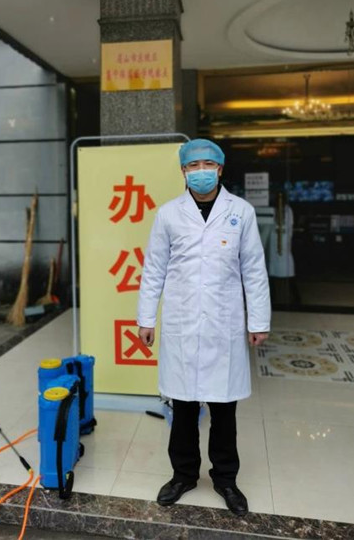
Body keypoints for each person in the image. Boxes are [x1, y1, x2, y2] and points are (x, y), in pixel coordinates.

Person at [137, 138, 271, 516]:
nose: (200, 171)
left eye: (207, 165)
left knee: (224, 410)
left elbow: (254, 271)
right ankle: (183, 475)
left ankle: (226, 479)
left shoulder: (240, 212)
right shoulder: (168, 214)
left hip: (224, 325)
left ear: (220, 169)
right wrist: (146, 318)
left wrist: (258, 320)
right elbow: (154, 270)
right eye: (192, 165)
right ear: (183, 171)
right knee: (183, 408)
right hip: (182, 324)